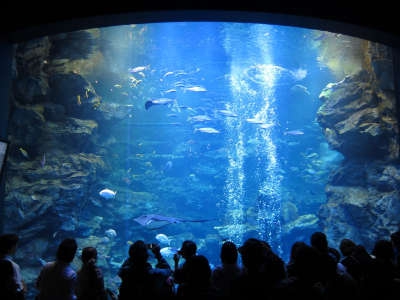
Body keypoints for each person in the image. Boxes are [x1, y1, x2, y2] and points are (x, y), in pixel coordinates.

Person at [0, 233, 26, 299]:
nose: (17, 247)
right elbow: (19, 288)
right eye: (16, 245)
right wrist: (23, 286)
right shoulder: (13, 265)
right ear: (12, 247)